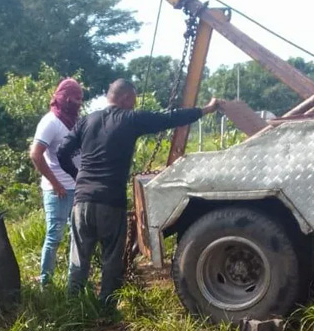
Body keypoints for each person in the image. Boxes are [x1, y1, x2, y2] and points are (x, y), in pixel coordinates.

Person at [57, 78, 220, 306]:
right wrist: (206, 109)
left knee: (78, 260)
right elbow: (169, 118)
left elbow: (62, 152)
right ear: (125, 98)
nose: (134, 105)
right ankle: (106, 309)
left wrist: (78, 177)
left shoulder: (86, 121)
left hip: (81, 202)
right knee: (111, 260)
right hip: (110, 203)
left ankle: (72, 309)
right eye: (133, 101)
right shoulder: (130, 119)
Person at [30, 78, 84, 287]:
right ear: (63, 98)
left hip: (76, 187)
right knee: (54, 235)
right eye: (74, 99)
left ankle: (75, 280)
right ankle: (46, 283)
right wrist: (55, 184)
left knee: (76, 235)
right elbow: (36, 155)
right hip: (58, 190)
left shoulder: (73, 121)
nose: (78, 104)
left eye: (80, 99)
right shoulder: (50, 122)